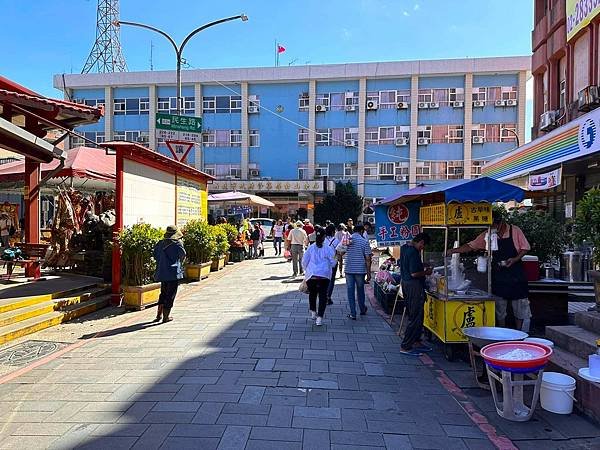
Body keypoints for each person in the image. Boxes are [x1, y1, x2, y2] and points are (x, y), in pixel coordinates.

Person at [447, 210, 531, 331]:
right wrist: (453, 251)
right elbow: (471, 246)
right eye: (489, 226)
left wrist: (515, 259)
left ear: (500, 223)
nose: (491, 228)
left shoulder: (515, 231)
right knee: (500, 309)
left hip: (516, 275)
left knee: (520, 307)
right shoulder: (488, 234)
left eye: (493, 225)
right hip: (499, 276)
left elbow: (525, 248)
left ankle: (520, 334)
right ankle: (502, 332)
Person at [399, 233, 433, 356]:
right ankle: (406, 345)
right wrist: (427, 272)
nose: (422, 248)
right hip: (413, 286)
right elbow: (414, 273)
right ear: (421, 242)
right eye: (423, 245)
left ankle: (416, 341)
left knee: (418, 315)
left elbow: (406, 264)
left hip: (406, 284)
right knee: (415, 316)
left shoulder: (404, 248)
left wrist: (423, 265)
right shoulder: (413, 252)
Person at [302, 226, 337, 326]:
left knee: (312, 294)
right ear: (324, 236)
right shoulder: (328, 248)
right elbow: (333, 262)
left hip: (312, 274)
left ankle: (313, 312)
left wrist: (306, 270)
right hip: (324, 275)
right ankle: (320, 318)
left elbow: (304, 261)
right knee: (323, 296)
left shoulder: (311, 247)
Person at [153, 225, 186, 323]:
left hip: (162, 272)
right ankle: (166, 317)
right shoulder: (177, 244)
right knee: (170, 294)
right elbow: (183, 255)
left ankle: (158, 315)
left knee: (163, 293)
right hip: (173, 273)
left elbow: (155, 255)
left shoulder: (160, 243)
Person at [344, 224, 372, 320]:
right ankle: (362, 309)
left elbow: (340, 251)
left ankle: (353, 313)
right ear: (361, 231)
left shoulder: (347, 240)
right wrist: (368, 273)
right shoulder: (364, 242)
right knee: (360, 290)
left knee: (350, 291)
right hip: (360, 270)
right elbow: (368, 259)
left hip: (348, 269)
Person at [325, 224, 340, 305]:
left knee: (324, 279)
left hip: (323, 262)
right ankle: (328, 297)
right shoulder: (336, 240)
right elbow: (338, 252)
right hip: (333, 262)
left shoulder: (323, 240)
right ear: (333, 231)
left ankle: (323, 296)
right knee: (331, 279)